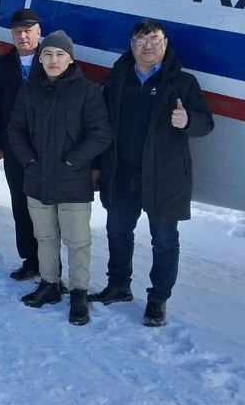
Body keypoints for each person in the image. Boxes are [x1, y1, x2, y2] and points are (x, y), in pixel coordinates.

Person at [90, 19, 214, 327]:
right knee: (118, 232)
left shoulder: (183, 83)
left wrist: (187, 120)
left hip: (164, 176)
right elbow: (101, 126)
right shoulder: (118, 78)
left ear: (165, 45)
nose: (147, 47)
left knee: (164, 240)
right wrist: (96, 166)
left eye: (154, 41)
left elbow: (206, 123)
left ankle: (158, 300)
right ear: (132, 45)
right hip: (121, 172)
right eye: (141, 41)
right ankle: (118, 285)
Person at [7, 31, 112, 326]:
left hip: (73, 179)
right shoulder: (29, 90)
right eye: (48, 55)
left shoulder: (88, 92)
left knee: (77, 241)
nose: (54, 60)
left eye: (60, 55)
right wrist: (28, 158)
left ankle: (79, 291)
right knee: (45, 236)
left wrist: (74, 159)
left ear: (71, 58)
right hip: (37, 177)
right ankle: (50, 283)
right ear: (40, 58)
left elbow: (101, 133)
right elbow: (15, 129)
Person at [0, 8, 44, 281]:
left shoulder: (53, 60)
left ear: (38, 32)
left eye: (28, 31)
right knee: (20, 206)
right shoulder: (4, 65)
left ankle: (50, 267)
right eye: (18, 32)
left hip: (46, 150)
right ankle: (30, 260)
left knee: (46, 210)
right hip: (14, 148)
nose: (23, 36)